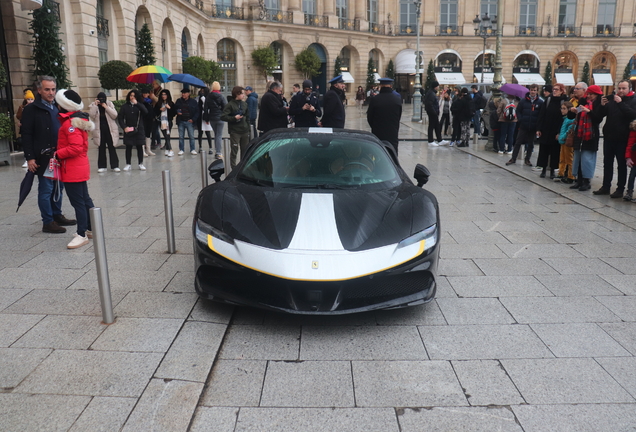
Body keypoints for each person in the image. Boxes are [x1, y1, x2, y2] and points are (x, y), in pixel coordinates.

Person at [21, 75, 76, 234]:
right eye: (47, 89)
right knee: (46, 189)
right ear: (39, 90)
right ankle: (48, 221)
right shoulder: (31, 109)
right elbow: (26, 133)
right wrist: (30, 157)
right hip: (43, 157)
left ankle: (57, 215)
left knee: (59, 187)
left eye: (53, 89)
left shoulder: (57, 107)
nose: (51, 93)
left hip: (59, 155)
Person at [54, 89, 96, 249]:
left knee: (78, 202)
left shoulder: (69, 124)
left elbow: (76, 147)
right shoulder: (76, 120)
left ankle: (81, 234)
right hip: (78, 167)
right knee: (85, 199)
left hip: (72, 169)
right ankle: (92, 228)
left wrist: (57, 154)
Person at [594, 79, 636, 197]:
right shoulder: (612, 100)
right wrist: (602, 106)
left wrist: (620, 103)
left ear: (629, 89)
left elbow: (632, 115)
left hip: (623, 138)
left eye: (624, 88)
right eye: (619, 88)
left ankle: (620, 189)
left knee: (621, 165)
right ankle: (606, 186)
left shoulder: (633, 100)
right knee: (607, 163)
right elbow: (599, 116)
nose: (621, 91)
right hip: (609, 137)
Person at [569, 84, 604, 191]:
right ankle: (578, 180)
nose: (589, 96)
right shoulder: (583, 101)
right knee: (578, 158)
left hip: (590, 135)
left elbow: (598, 118)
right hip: (580, 134)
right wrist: (573, 111)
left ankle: (586, 181)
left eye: (591, 94)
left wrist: (588, 111)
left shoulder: (599, 104)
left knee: (587, 159)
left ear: (597, 95)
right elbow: (572, 116)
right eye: (588, 94)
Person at [506, 84, 544, 166]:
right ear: (529, 90)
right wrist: (521, 119)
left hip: (533, 126)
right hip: (524, 125)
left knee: (530, 143)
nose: (533, 92)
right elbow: (518, 111)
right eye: (531, 90)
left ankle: (528, 159)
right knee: (518, 142)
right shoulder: (523, 101)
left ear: (537, 91)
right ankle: (513, 158)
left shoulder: (540, 102)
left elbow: (541, 115)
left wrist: (538, 126)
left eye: (534, 90)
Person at [536, 84, 568, 178]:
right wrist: (538, 128)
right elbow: (541, 114)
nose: (554, 91)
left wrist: (559, 132)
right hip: (546, 129)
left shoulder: (564, 101)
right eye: (554, 89)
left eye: (557, 90)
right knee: (544, 149)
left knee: (555, 150)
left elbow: (564, 117)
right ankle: (544, 169)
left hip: (557, 129)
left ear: (562, 91)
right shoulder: (548, 100)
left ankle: (553, 170)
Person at [366, 77, 402, 154]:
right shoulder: (397, 100)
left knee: (378, 152)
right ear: (391, 86)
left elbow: (369, 117)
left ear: (380, 86)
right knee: (392, 153)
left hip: (378, 131)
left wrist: (375, 126)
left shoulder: (375, 99)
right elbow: (399, 116)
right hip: (393, 131)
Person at [88, 92, 120, 172]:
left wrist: (106, 107)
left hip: (110, 130)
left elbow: (115, 115)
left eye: (103, 98)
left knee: (112, 147)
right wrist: (95, 106)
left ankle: (115, 165)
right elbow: (91, 116)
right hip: (99, 130)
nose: (101, 100)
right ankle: (102, 166)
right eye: (100, 99)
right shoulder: (93, 105)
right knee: (101, 148)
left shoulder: (109, 104)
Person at [117, 89, 148, 171]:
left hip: (139, 128)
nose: (132, 97)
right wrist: (124, 127)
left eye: (134, 96)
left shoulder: (140, 105)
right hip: (128, 129)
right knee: (128, 146)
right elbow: (120, 118)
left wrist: (137, 104)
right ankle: (128, 164)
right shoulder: (125, 106)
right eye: (131, 95)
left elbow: (145, 112)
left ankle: (140, 163)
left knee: (139, 146)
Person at [220, 86, 250, 168]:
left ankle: (243, 167)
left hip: (244, 130)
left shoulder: (244, 104)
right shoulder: (230, 105)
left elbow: (247, 116)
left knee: (245, 150)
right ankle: (233, 167)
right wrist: (234, 118)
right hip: (235, 131)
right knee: (234, 150)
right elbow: (223, 116)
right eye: (242, 93)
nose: (244, 95)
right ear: (237, 94)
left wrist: (248, 129)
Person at [202, 82, 226, 159]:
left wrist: (206, 118)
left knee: (216, 135)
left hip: (212, 118)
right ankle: (218, 152)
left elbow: (205, 108)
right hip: (220, 118)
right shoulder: (221, 96)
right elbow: (225, 107)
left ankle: (217, 150)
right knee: (219, 135)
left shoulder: (208, 96)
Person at [174, 87, 200, 155]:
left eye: (184, 93)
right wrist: (177, 112)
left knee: (191, 136)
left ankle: (192, 149)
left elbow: (197, 111)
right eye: (182, 93)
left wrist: (193, 119)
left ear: (188, 94)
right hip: (181, 121)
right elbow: (174, 109)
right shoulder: (178, 101)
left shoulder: (193, 102)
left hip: (189, 121)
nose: (183, 94)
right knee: (181, 136)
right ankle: (181, 149)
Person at [556, 100, 576, 182]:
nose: (562, 110)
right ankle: (561, 173)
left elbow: (569, 130)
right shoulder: (565, 119)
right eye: (561, 108)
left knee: (569, 159)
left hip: (567, 141)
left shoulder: (570, 119)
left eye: (564, 108)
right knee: (562, 158)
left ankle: (570, 176)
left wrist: (562, 137)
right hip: (563, 141)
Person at [16, 89, 35, 168]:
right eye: (28, 99)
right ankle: (27, 159)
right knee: (26, 143)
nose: (30, 101)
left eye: (31, 99)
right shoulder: (22, 107)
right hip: (25, 127)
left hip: (33, 127)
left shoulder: (35, 107)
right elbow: (18, 116)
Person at [154, 89, 176, 157]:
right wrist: (159, 109)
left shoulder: (171, 103)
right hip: (161, 122)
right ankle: (167, 149)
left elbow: (173, 113)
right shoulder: (158, 103)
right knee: (165, 136)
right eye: (162, 94)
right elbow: (154, 112)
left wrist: (169, 108)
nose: (163, 96)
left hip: (168, 122)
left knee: (167, 136)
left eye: (165, 94)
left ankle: (170, 150)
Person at [425, 81, 443, 145]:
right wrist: (434, 112)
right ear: (435, 86)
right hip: (433, 113)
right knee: (431, 126)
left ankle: (439, 140)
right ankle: (431, 141)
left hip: (433, 112)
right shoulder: (431, 94)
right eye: (438, 86)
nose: (438, 87)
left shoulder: (431, 93)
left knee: (437, 126)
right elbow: (430, 104)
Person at [196, 87, 213, 153]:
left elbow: (206, 105)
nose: (201, 92)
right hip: (200, 116)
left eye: (203, 91)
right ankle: (200, 147)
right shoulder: (198, 98)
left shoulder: (207, 98)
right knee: (200, 133)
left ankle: (210, 147)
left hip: (205, 116)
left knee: (208, 133)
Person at [140, 89, 156, 156]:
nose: (145, 94)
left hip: (150, 119)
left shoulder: (151, 101)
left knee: (148, 135)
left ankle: (148, 150)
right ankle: (142, 150)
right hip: (143, 119)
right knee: (143, 134)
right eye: (144, 93)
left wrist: (153, 97)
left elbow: (157, 102)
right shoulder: (141, 101)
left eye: (146, 93)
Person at [624, 120, 636, 202]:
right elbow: (630, 145)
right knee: (632, 176)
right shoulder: (634, 131)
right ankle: (629, 191)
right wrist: (628, 157)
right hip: (635, 159)